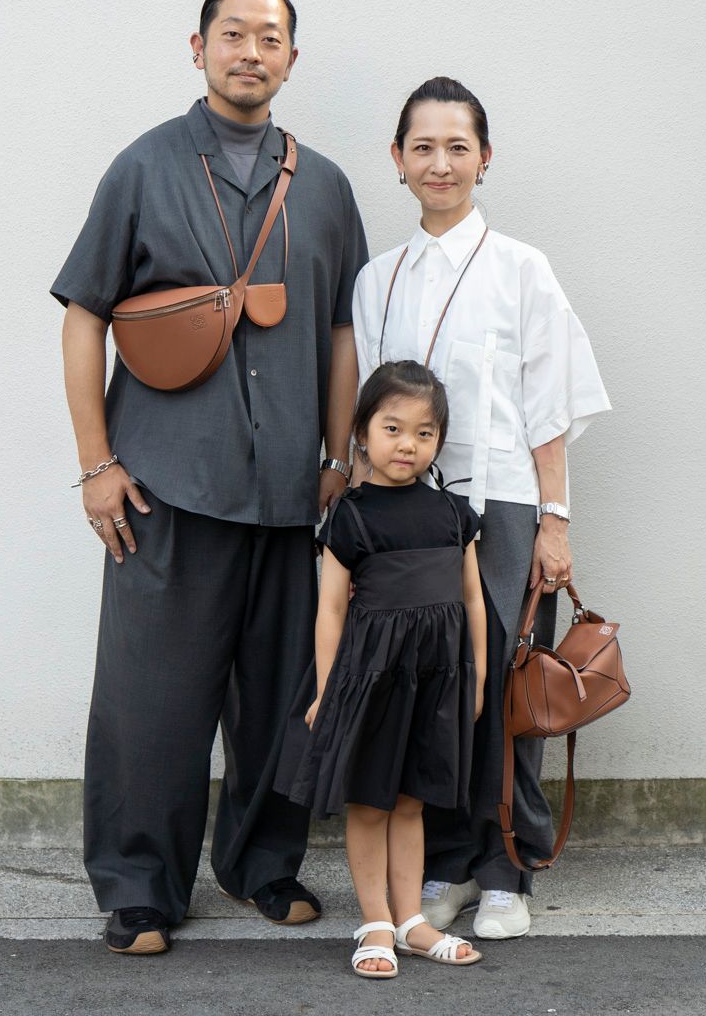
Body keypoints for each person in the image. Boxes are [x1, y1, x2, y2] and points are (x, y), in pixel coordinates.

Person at [51, 0, 368, 954]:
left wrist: (340, 455)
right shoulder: (142, 168)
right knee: (152, 698)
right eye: (232, 34)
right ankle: (141, 888)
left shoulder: (321, 186)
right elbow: (83, 313)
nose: (250, 52)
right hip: (162, 483)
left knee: (280, 698)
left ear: (289, 59)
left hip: (287, 490)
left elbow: (344, 327)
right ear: (197, 47)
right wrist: (95, 464)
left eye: (268, 37)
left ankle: (263, 866)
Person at [352, 77, 611, 940]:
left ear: (485, 158)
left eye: (458, 146)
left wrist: (555, 517)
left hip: (498, 501)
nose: (440, 162)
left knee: (501, 679)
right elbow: (368, 407)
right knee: (428, 686)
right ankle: (449, 863)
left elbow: (549, 402)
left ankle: (508, 867)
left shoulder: (520, 268)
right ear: (397, 161)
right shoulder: (376, 278)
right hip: (406, 513)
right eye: (422, 146)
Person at [276, 361, 487, 978]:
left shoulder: (453, 514)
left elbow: (472, 598)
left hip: (436, 677)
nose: (408, 444)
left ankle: (412, 922)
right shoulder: (351, 515)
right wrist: (326, 688)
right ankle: (373, 922)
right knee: (370, 802)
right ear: (362, 434)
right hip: (371, 678)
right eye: (393, 428)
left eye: (425, 433)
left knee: (413, 801)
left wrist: (472, 678)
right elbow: (331, 610)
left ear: (439, 442)